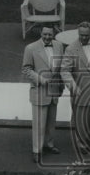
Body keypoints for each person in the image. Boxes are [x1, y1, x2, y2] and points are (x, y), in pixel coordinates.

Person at [61, 21, 90, 157]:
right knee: (80, 118)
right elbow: (64, 71)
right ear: (78, 33)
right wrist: (74, 86)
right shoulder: (70, 49)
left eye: (86, 35)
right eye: (81, 35)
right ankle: (81, 143)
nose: (84, 37)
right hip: (80, 89)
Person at [21, 25, 65, 163]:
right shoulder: (30, 48)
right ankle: (37, 150)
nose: (47, 37)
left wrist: (61, 85)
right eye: (45, 34)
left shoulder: (59, 46)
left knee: (51, 122)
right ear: (41, 33)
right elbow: (26, 69)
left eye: (49, 35)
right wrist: (41, 79)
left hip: (54, 91)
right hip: (39, 90)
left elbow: (61, 68)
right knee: (39, 123)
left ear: (53, 34)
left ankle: (49, 144)